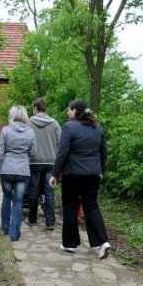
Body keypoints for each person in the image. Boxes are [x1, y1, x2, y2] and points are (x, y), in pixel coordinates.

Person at [49, 99, 110, 259]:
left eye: (69, 110)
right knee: (91, 206)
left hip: (73, 174)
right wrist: (100, 170)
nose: (67, 112)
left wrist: (54, 174)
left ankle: (70, 244)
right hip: (93, 174)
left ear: (75, 110)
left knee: (70, 207)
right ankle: (103, 242)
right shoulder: (97, 127)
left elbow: (62, 153)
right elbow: (103, 151)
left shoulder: (69, 127)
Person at [0, 106, 37, 241]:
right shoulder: (30, 132)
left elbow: (0, 153)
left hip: (7, 169)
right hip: (23, 171)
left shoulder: (6, 130)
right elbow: (34, 153)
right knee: (18, 201)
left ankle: (5, 227)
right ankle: (14, 234)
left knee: (6, 198)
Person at [26, 98, 61, 230]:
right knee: (49, 191)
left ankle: (32, 218)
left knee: (33, 189)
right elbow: (61, 144)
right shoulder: (55, 123)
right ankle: (50, 222)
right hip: (51, 162)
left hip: (34, 161)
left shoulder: (29, 123)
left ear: (35, 108)